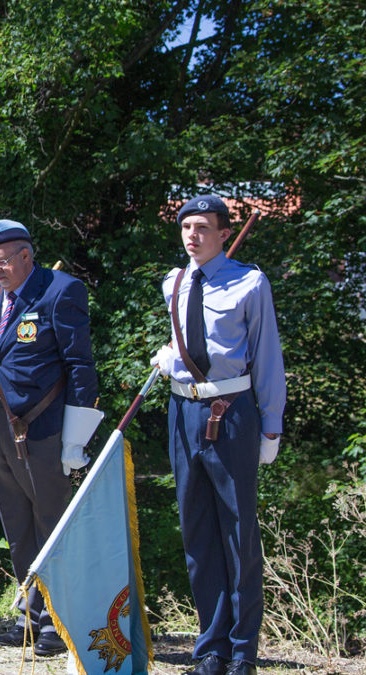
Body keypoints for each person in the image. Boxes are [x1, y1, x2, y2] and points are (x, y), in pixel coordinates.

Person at [0, 219, 101, 656]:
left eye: (3, 261)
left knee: (51, 525)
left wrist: (76, 436)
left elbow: (80, 368)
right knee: (17, 527)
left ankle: (58, 622)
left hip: (43, 428)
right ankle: (29, 618)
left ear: (26, 256)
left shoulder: (59, 291)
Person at [150, 195, 285, 675]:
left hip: (231, 413)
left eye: (203, 227)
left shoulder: (249, 282)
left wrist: (271, 425)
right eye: (186, 227)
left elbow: (267, 358)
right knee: (198, 533)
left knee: (238, 533)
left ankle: (243, 648)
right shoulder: (174, 282)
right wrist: (168, 358)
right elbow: (182, 339)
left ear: (224, 233)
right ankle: (211, 646)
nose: (192, 235)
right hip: (183, 411)